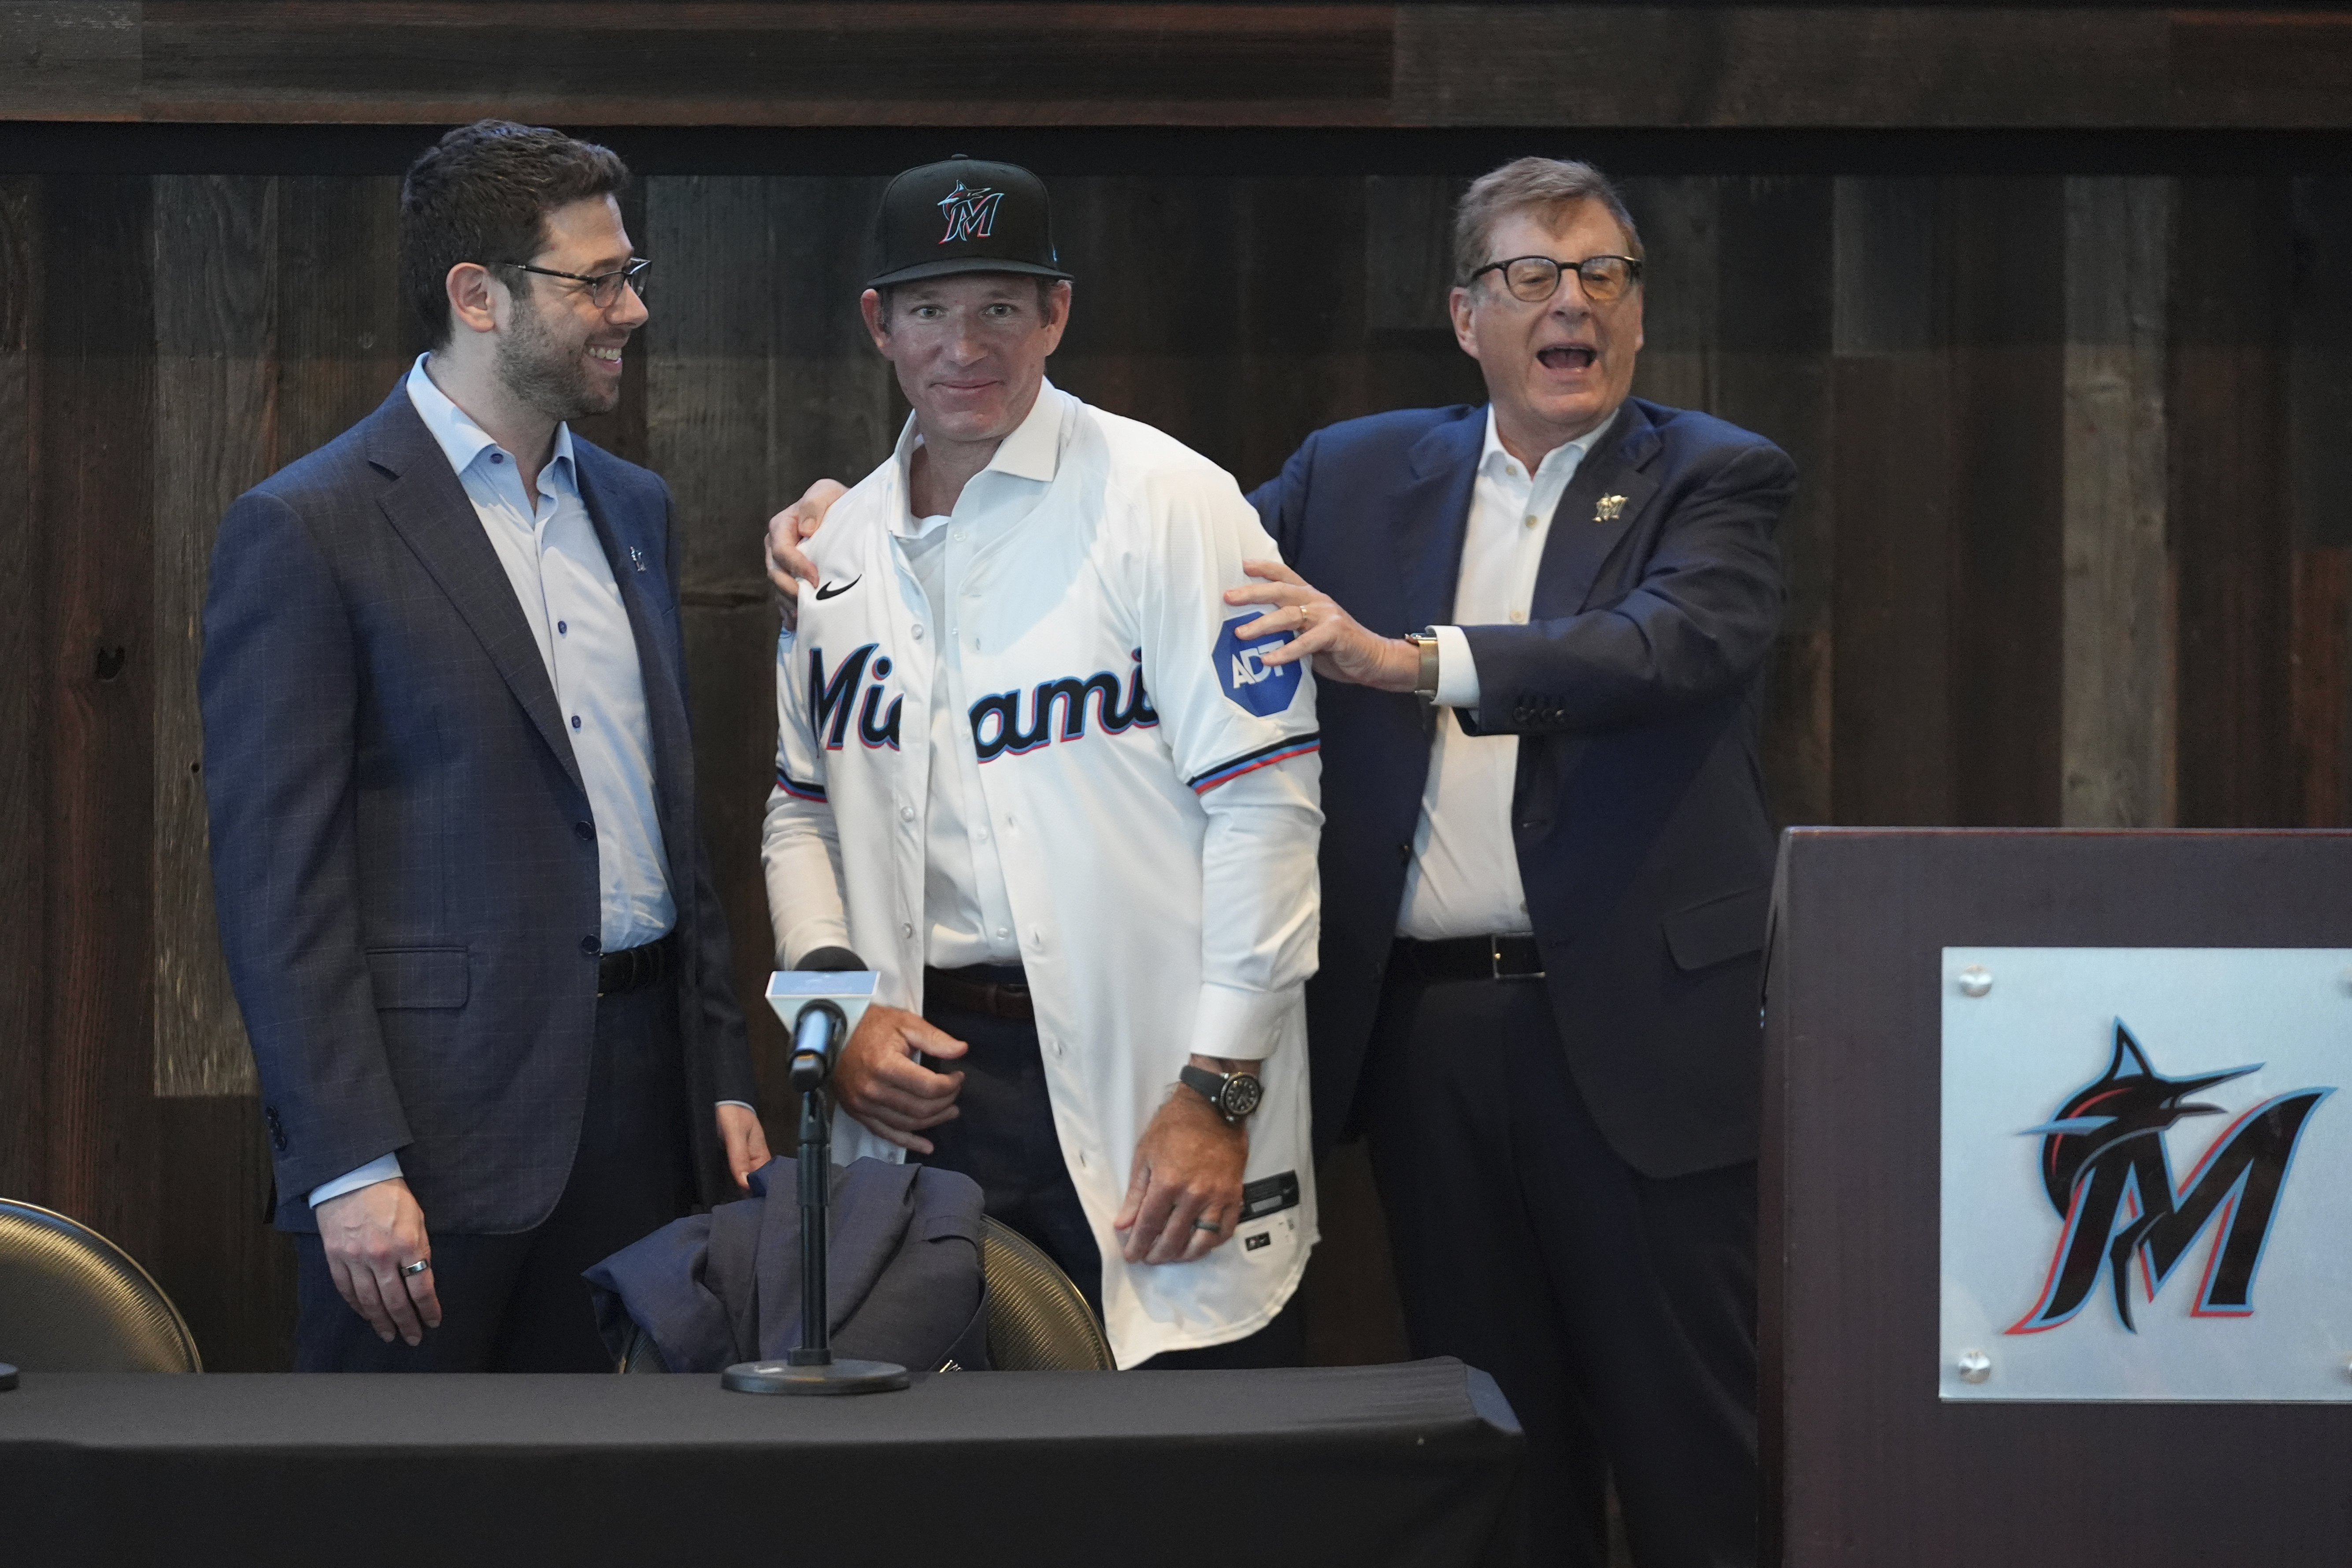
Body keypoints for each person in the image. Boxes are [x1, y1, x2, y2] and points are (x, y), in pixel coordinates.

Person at [770, 155, 1787, 1564]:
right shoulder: (1354, 473)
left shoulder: (1715, 477)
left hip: (1635, 1026)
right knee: (1493, 1425)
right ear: (1463, 313)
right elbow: (1093, 564)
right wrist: (856, 532)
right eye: (1530, 277)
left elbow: (1666, 648)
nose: (1571, 304)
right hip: (1425, 1026)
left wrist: (1412, 663)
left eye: (1600, 274)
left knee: (1690, 1434)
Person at [202, 120, 767, 1373]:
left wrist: (719, 1073)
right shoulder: (308, 527)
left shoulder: (634, 508)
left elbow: (673, 823)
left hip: (642, 1112)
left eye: (632, 275)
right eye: (595, 281)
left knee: (615, 1510)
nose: (628, 311)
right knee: (400, 1517)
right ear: (477, 296)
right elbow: (275, 888)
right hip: (427, 1140)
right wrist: (347, 1161)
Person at [758, 157, 1324, 1370]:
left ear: (1055, 314)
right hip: (923, 1078)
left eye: (1000, 308)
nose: (966, 346)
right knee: (952, 1487)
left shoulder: (1171, 501)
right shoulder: (832, 550)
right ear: (878, 325)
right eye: (929, 310)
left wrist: (1219, 1090)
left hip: (1157, 1067)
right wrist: (833, 1005)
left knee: (1185, 1455)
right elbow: (798, 811)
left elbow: (1269, 815)